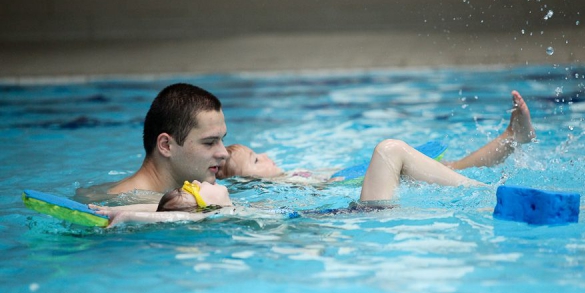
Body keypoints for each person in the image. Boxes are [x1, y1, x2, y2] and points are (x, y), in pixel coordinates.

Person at [217, 90, 536, 202]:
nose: (266, 157)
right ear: (249, 181)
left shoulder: (291, 176)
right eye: (256, 161)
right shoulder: (274, 190)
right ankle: (491, 192)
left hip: (358, 192)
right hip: (366, 208)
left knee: (443, 168)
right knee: (396, 154)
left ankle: (511, 138)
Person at [80, 83, 230, 200]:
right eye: (209, 142)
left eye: (222, 140)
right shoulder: (127, 205)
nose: (224, 153)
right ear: (166, 145)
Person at [92, 180, 235, 227]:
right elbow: (180, 216)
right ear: (207, 207)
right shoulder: (219, 212)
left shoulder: (220, 210)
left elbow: (154, 208)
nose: (196, 182)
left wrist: (111, 208)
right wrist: (127, 216)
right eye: (195, 189)